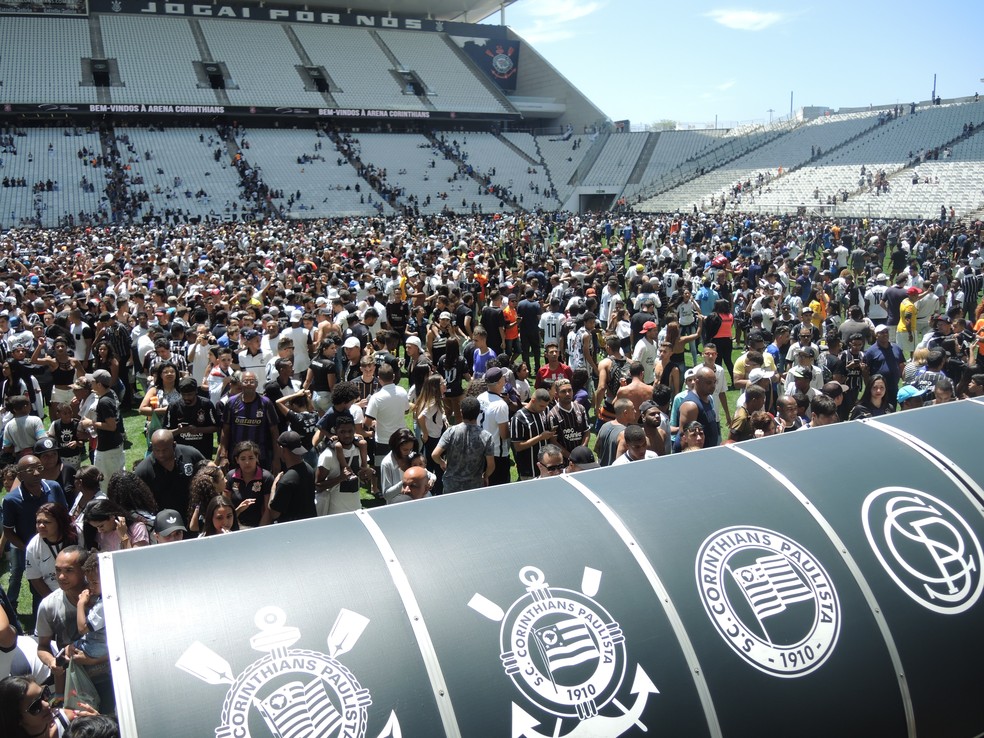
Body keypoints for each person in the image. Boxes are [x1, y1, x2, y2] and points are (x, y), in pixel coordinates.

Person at [3, 455, 67, 609]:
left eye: (39, 468)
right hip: (35, 552)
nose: (37, 473)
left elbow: (65, 516)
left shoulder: (54, 487)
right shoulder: (12, 500)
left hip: (61, 546)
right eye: (30, 470)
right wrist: (29, 549)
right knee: (39, 590)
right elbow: (9, 531)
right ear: (20, 475)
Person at [134, 429, 205, 515]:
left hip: (193, 514)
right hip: (165, 521)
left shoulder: (191, 454)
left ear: (174, 445)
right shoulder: (143, 471)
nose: (161, 454)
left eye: (165, 450)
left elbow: (208, 470)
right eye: (157, 450)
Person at [431, 396, 493, 493]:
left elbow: (435, 455)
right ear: (478, 413)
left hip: (451, 485)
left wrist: (442, 463)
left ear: (461, 412)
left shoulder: (451, 431)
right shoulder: (486, 436)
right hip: (474, 486)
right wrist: (485, 476)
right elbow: (491, 465)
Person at [0, 675, 97, 737]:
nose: (46, 704)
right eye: (35, 706)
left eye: (44, 694)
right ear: (18, 719)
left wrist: (99, 723)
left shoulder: (68, 720)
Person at [79, 370, 124, 491]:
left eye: (92, 382)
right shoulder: (111, 393)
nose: (91, 384)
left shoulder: (104, 402)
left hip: (107, 449)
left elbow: (111, 426)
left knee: (106, 483)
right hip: (115, 445)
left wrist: (91, 423)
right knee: (117, 479)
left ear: (99, 384)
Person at [25, 503, 77, 603]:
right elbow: (36, 579)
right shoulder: (33, 546)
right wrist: (54, 602)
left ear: (60, 523)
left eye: (47, 522)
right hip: (52, 594)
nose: (41, 526)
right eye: (38, 522)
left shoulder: (78, 535)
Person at [263, 431, 316, 524]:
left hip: (292, 531)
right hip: (310, 526)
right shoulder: (309, 469)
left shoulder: (286, 480)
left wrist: (273, 487)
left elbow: (274, 513)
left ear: (281, 449)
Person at [364, 364, 409, 468]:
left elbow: (367, 423)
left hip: (382, 441)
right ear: (393, 376)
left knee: (382, 470)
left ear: (379, 379)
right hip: (400, 438)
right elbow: (406, 411)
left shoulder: (376, 398)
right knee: (400, 468)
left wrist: (374, 422)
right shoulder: (402, 391)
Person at [477, 367, 511, 486]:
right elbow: (504, 434)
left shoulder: (480, 397)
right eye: (503, 377)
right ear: (499, 382)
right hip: (497, 453)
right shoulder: (500, 405)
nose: (505, 379)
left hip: (481, 450)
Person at [510, 388, 553, 480]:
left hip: (546, 467)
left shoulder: (544, 411)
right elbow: (518, 446)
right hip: (529, 470)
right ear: (533, 401)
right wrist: (540, 437)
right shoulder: (519, 418)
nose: (544, 409)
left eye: (546, 406)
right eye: (541, 406)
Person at [545, 377, 590, 461]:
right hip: (564, 461)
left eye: (570, 390)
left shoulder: (580, 409)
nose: (567, 394)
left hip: (581, 457)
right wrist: (571, 457)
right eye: (563, 391)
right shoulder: (553, 415)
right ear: (556, 394)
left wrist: (581, 451)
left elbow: (586, 432)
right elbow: (553, 441)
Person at [81, 498, 149, 552]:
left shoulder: (137, 528)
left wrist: (124, 536)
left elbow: (136, 558)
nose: (99, 531)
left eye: (101, 526)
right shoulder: (98, 535)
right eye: (96, 528)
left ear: (111, 516)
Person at [677, 366, 720, 450]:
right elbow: (684, 437)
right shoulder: (691, 405)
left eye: (714, 382)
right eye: (708, 383)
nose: (713, 386)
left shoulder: (708, 399)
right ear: (697, 382)